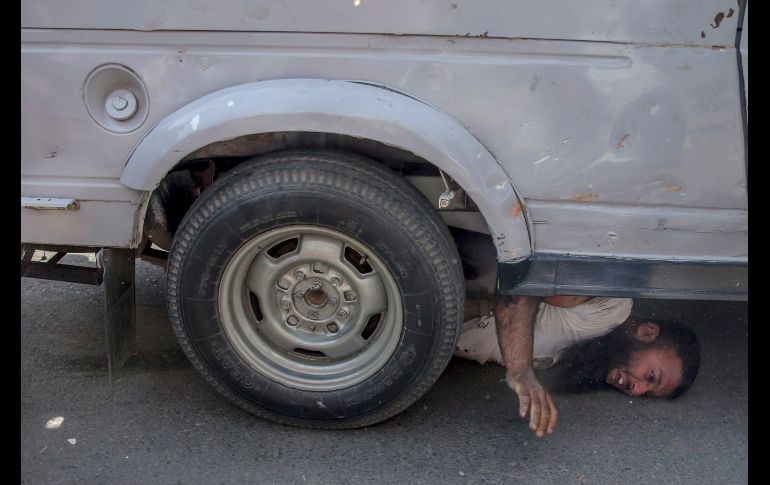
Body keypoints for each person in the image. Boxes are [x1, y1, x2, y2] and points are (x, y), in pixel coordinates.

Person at [454, 294, 701, 438]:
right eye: (650, 376)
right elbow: (524, 283)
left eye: (646, 394)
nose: (636, 390)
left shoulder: (594, 353)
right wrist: (520, 369)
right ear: (648, 332)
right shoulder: (610, 305)